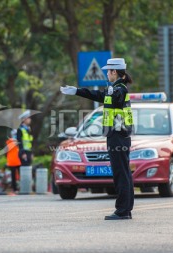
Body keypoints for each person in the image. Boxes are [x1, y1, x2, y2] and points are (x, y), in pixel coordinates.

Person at [60, 58, 134, 220]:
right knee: (124, 173)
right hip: (117, 135)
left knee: (120, 173)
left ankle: (122, 211)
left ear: (115, 72)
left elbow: (117, 97)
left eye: (108, 71)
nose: (107, 74)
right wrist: (77, 91)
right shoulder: (115, 87)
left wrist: (110, 91)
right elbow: (98, 95)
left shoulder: (119, 89)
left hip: (118, 135)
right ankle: (126, 209)